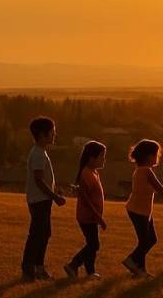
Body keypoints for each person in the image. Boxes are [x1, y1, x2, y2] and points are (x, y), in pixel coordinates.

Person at [21, 116, 66, 282]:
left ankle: (38, 268)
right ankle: (29, 268)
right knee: (37, 235)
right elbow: (39, 180)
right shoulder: (38, 154)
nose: (55, 135)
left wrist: (55, 190)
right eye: (52, 132)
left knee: (44, 233)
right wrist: (55, 197)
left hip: (42, 199)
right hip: (39, 200)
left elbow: (43, 179)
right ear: (42, 134)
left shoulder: (40, 152)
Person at [123, 139, 163, 278]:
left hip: (141, 210)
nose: (157, 157)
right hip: (138, 211)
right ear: (148, 156)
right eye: (156, 154)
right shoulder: (146, 171)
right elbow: (161, 190)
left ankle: (139, 270)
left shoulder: (139, 170)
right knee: (147, 241)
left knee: (148, 240)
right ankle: (131, 260)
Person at [64, 140, 108, 279]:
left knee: (92, 244)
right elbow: (86, 199)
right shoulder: (86, 174)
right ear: (91, 158)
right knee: (94, 244)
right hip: (87, 216)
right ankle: (73, 265)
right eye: (101, 156)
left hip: (91, 216)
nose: (104, 159)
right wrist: (98, 217)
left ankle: (90, 272)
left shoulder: (93, 172)